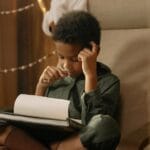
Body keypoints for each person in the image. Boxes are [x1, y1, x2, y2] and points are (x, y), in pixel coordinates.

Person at [0, 11, 121, 150]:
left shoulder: (109, 82)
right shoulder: (55, 79)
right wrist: (41, 88)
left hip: (75, 143)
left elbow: (92, 121)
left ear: (94, 52)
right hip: (43, 138)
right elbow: (34, 122)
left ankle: (59, 147)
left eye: (74, 59)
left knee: (105, 126)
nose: (66, 65)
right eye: (61, 57)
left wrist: (90, 75)